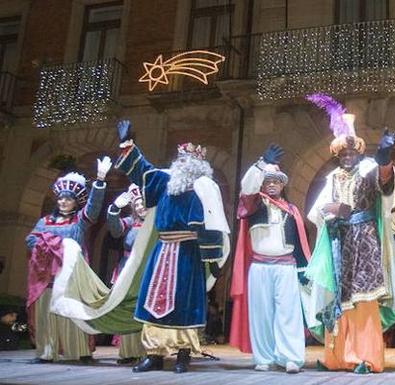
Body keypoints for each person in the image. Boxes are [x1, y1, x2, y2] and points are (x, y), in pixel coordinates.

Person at [113, 120, 230, 374]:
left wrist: (212, 260)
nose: (183, 165)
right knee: (153, 299)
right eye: (181, 160)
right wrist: (127, 144)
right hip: (162, 250)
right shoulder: (163, 182)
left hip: (188, 253)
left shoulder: (204, 190)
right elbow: (141, 170)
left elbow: (211, 224)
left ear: (198, 167)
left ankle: (183, 354)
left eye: (188, 162)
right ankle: (153, 355)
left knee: (185, 303)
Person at [305, 93, 395, 374]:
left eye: (352, 153)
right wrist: (331, 211)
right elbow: (317, 211)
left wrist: (384, 157)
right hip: (339, 240)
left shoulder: (368, 169)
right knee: (340, 299)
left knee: (363, 298)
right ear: (338, 155)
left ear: (359, 153)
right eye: (343, 153)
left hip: (365, 239)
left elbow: (385, 186)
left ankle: (366, 357)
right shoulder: (332, 178)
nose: (348, 157)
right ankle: (337, 357)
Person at [229, 144, 311, 374]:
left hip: (286, 266)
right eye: (268, 180)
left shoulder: (292, 210)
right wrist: (261, 163)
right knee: (262, 314)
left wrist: (304, 270)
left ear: (283, 184)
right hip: (260, 265)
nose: (272, 184)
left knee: (289, 314)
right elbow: (246, 186)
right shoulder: (253, 204)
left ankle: (291, 357)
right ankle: (263, 357)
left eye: (276, 180)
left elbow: (301, 244)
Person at [25, 158, 111, 363]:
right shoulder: (44, 221)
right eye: (61, 198)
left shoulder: (79, 221)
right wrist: (51, 243)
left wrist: (99, 180)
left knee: (74, 313)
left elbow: (94, 207)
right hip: (47, 277)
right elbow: (30, 240)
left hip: (71, 275)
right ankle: (47, 351)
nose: (63, 202)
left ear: (75, 201)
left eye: (68, 199)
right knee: (48, 314)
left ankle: (81, 350)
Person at [106, 184, 146, 364]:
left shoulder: (158, 222)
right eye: (136, 204)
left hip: (147, 272)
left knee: (144, 311)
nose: (140, 207)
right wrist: (114, 209)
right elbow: (115, 230)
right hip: (127, 270)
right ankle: (127, 352)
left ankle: (147, 352)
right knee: (127, 310)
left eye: (143, 204)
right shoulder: (130, 222)